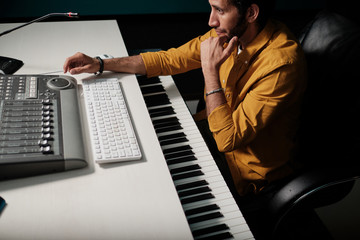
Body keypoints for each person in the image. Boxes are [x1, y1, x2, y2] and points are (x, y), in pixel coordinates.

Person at [63, 0, 307, 198]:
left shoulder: (282, 65)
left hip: (243, 171)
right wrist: (100, 63)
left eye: (220, 10)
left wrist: (210, 71)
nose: (211, 21)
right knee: (139, 152)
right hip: (209, 132)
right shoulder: (229, 33)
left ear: (252, 13)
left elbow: (227, 140)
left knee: (149, 190)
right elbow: (170, 59)